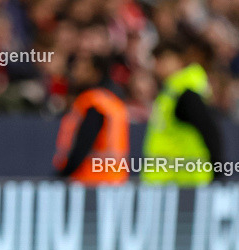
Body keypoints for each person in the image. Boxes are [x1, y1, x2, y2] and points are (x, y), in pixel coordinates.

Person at [141, 39, 223, 185]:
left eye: (163, 59)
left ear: (179, 60)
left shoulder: (185, 93)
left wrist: (219, 170)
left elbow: (209, 131)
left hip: (183, 181)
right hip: (173, 181)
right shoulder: (171, 91)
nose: (158, 66)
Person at [52, 54, 129, 184]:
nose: (75, 73)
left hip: (90, 181)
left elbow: (83, 144)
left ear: (95, 72)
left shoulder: (93, 103)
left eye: (81, 69)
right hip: (115, 180)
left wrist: (62, 174)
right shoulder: (112, 101)